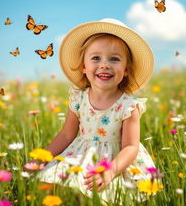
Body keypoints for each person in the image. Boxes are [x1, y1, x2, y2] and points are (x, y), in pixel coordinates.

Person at [37, 18, 156, 201]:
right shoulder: (79, 99)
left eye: (114, 59)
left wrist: (110, 172)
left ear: (126, 69)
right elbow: (66, 135)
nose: (104, 64)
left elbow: (130, 146)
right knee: (56, 183)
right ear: (84, 67)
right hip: (81, 154)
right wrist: (43, 158)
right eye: (96, 58)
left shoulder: (129, 106)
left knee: (109, 195)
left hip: (115, 161)